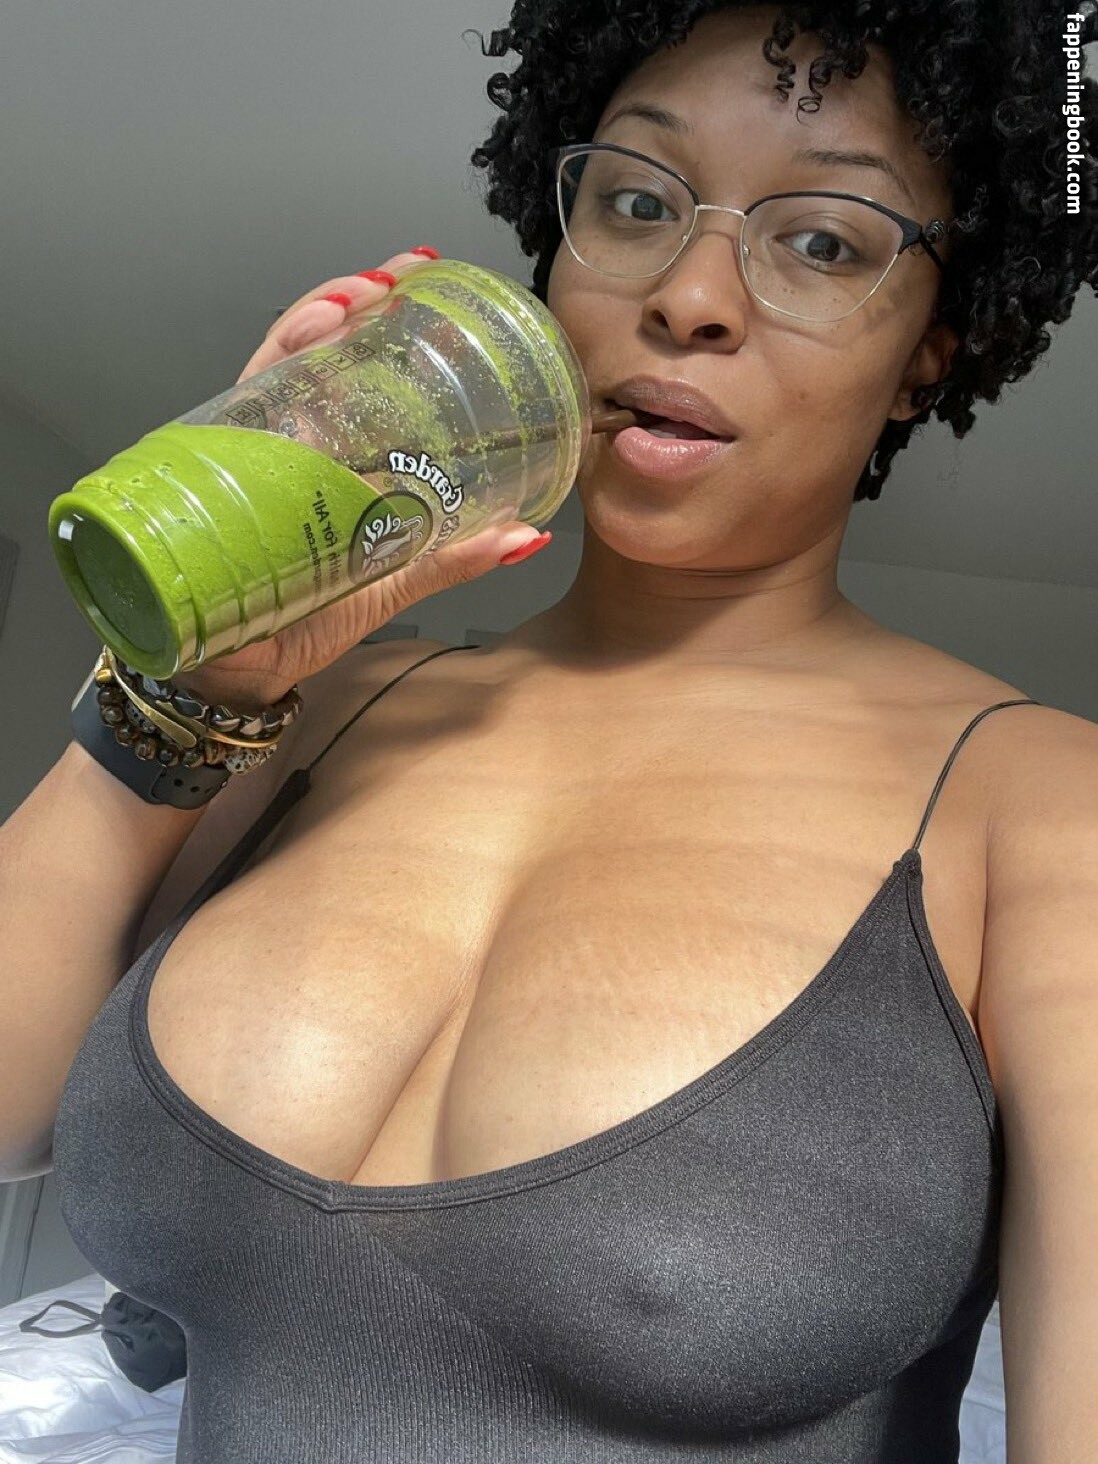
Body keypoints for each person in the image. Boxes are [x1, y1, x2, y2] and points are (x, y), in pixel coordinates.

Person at [2, 3, 1096, 1460]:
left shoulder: (1039, 810)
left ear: (929, 355)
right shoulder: (318, 711)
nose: (691, 296)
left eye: (824, 242)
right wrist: (196, 677)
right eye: (637, 204)